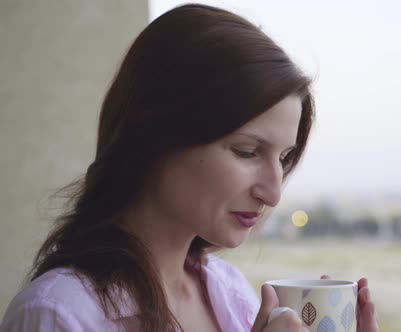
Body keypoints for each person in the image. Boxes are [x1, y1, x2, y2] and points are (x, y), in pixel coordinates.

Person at [0, 4, 378, 332]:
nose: (273, 192)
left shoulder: (230, 293)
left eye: (283, 158)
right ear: (155, 134)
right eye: (247, 151)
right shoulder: (59, 315)